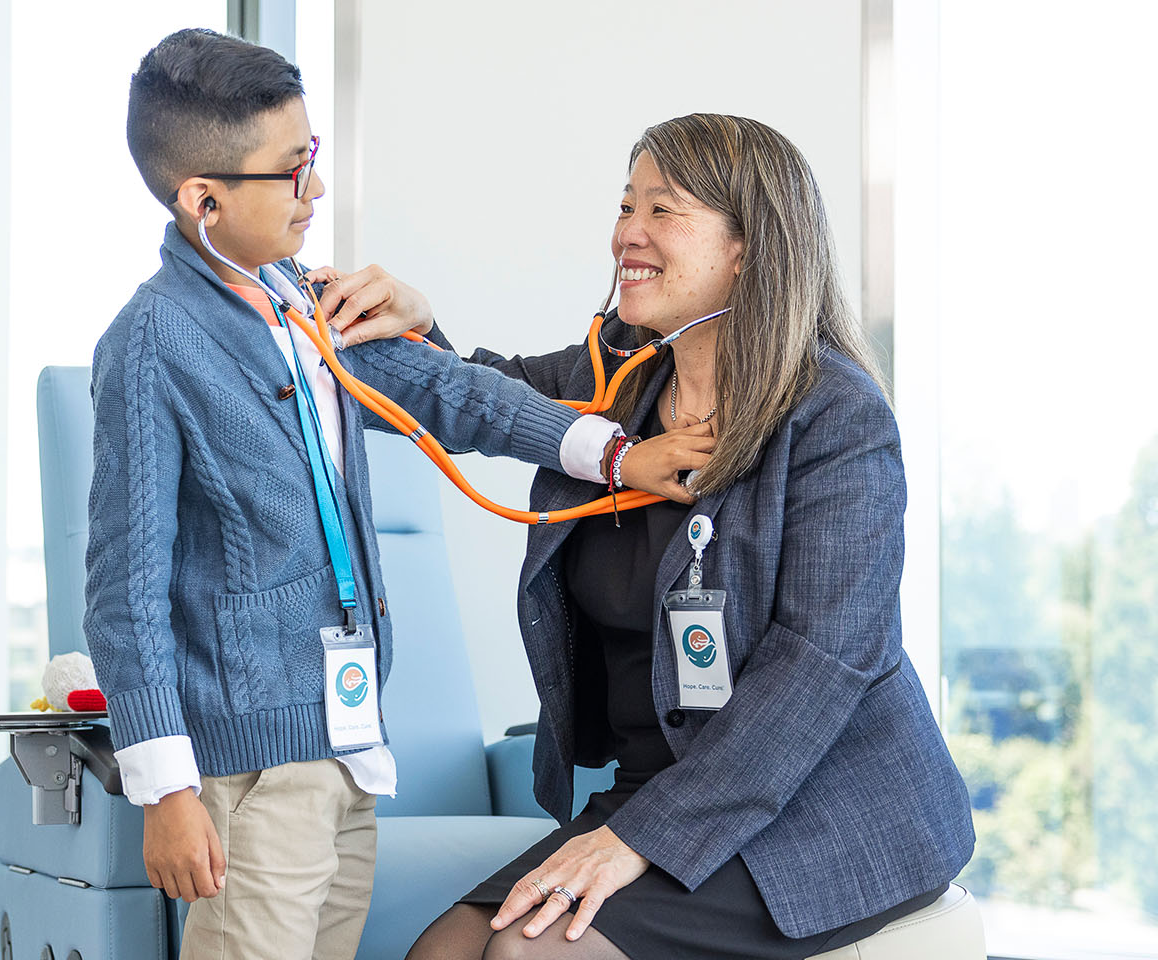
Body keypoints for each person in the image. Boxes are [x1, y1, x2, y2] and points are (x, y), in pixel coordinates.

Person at [85, 30, 705, 960]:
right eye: (291, 173)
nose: (316, 192)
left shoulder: (308, 301)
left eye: (315, 159)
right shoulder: (150, 344)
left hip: (347, 739)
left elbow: (460, 396)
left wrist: (619, 456)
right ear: (203, 201)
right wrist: (167, 790)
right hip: (249, 763)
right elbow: (123, 592)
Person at [312, 113, 976, 959]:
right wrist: (416, 327)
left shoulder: (837, 419)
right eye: (626, 206)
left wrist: (636, 841)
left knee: (531, 952)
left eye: (664, 210)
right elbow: (481, 400)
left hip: (821, 812)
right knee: (443, 950)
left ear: (749, 247)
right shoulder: (617, 372)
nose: (628, 231)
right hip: (656, 785)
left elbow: (821, 664)